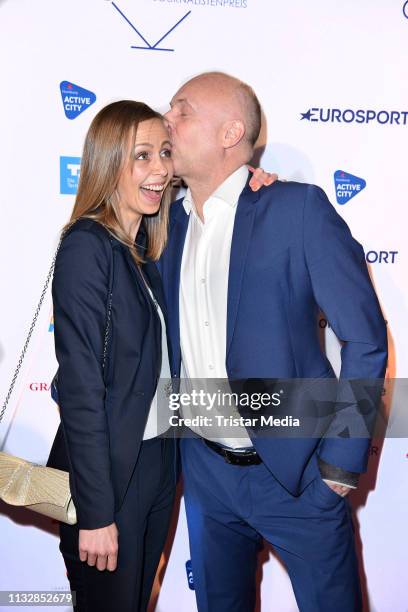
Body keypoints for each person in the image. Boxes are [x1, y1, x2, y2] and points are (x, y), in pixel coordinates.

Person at [159, 72, 388, 611]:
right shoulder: (164, 220)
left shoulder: (296, 211)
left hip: (299, 473)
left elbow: (366, 339)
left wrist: (339, 465)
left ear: (229, 132)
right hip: (206, 476)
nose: (167, 120)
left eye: (182, 110)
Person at [45, 98, 271, 611]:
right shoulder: (88, 245)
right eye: (141, 156)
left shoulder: (145, 251)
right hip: (109, 477)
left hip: (156, 464)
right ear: (108, 162)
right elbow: (81, 387)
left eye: (164, 153)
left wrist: (259, 186)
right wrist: (97, 513)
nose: (159, 169)